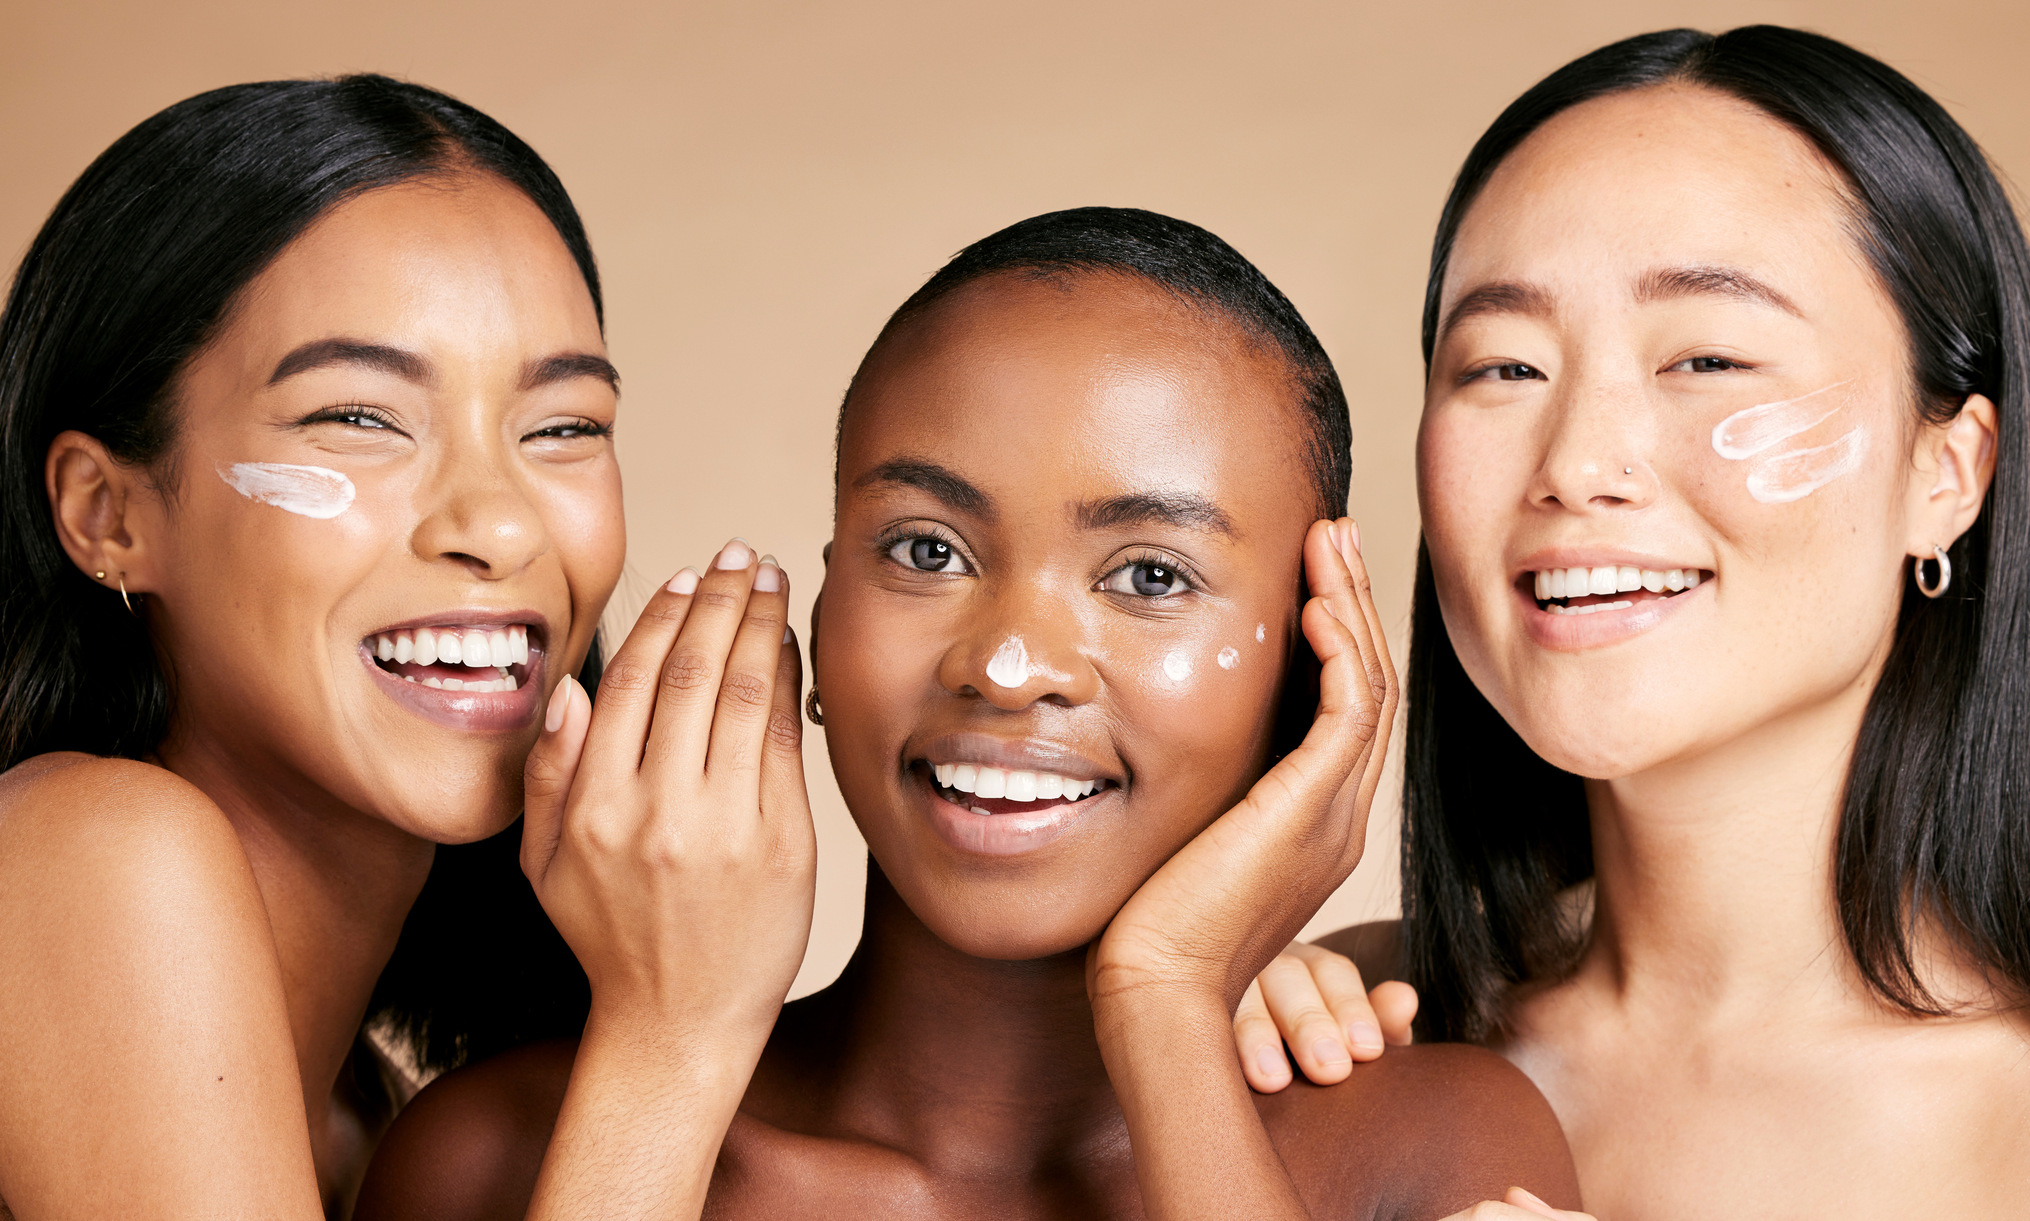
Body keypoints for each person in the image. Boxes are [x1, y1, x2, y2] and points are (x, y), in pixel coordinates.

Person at [358, 207, 1580, 1221]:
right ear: (822, 626)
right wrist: (658, 1072)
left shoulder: (1433, 1148)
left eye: (1149, 576)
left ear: (1315, 674)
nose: (1006, 664)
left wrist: (1164, 1000)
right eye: (927, 549)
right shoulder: (492, 1157)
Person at [1237, 25, 2030, 1217]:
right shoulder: (1338, 1036)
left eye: (1706, 357)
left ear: (1948, 472)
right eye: (1502, 368)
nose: (1577, 463)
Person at [0, 76, 815, 1218]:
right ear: (107, 514)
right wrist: (671, 1040)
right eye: (359, 419)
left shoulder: (368, 1113)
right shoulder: (84, 851)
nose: (497, 526)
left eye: (563, 428)